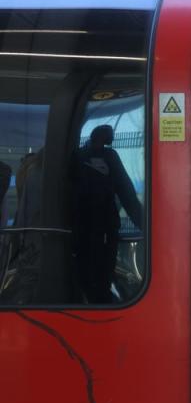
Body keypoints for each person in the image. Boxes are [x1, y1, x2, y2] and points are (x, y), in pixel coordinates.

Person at [71, 124, 143, 303]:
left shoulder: (78, 156)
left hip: (80, 227)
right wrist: (145, 223)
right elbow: (126, 192)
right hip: (103, 227)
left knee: (85, 272)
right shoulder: (109, 157)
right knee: (101, 273)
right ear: (104, 137)